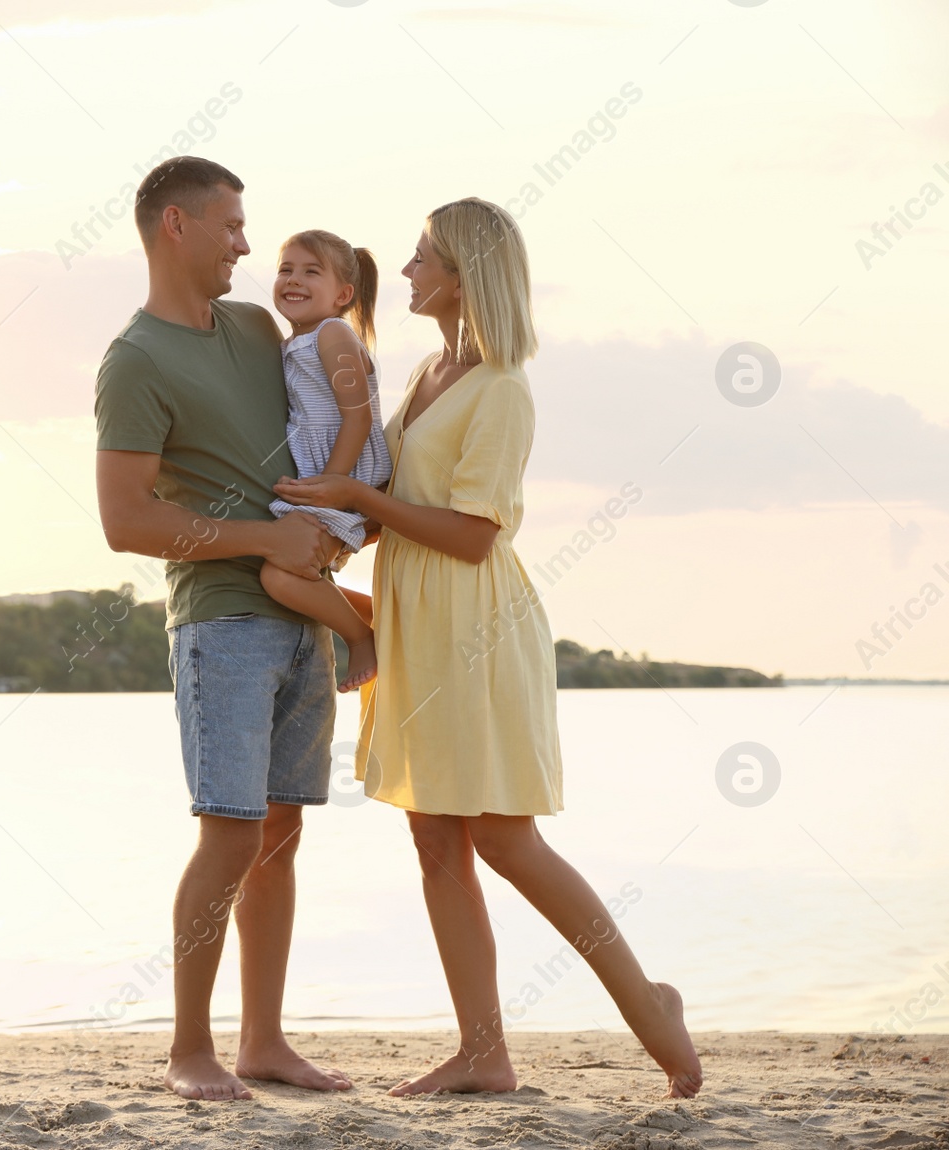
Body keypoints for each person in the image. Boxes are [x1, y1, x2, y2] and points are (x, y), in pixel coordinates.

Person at [273, 197, 704, 1099]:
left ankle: (647, 1004)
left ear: (467, 274)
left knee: (508, 840)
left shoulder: (502, 387)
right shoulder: (431, 369)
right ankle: (483, 1052)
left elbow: (472, 533)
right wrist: (324, 521)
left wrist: (358, 491)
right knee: (435, 841)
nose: (407, 269)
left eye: (424, 256)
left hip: (476, 625)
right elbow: (389, 501)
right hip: (419, 620)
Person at [94, 156, 354, 1102]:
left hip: (300, 619)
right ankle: (189, 1052)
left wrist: (337, 524)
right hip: (222, 628)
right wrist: (264, 538)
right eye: (232, 225)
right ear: (176, 225)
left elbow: (334, 397)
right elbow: (126, 521)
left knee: (279, 835)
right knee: (229, 837)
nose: (248, 244)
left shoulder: (253, 328)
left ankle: (265, 1043)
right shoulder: (135, 361)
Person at [260, 230, 392, 692]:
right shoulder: (295, 341)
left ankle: (360, 636)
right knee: (296, 569)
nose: (293, 280)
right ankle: (379, 618)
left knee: (280, 577)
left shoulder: (333, 334)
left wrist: (330, 487)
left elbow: (356, 419)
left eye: (310, 272)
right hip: (327, 475)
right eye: (285, 269)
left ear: (343, 294)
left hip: (348, 471)